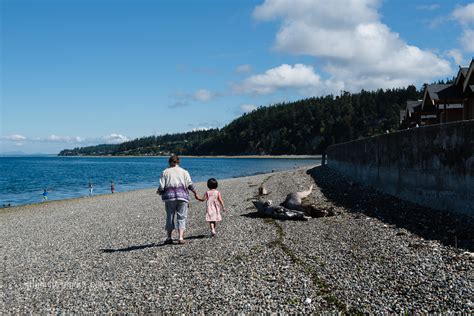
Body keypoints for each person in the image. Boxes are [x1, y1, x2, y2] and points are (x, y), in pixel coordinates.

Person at [157, 155, 196, 245]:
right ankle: (180, 237)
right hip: (183, 197)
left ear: (170, 162)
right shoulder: (184, 172)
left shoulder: (165, 172)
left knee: (170, 216)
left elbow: (162, 186)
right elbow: (190, 184)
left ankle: (169, 237)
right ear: (178, 162)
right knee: (181, 217)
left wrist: (159, 191)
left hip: (169, 197)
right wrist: (195, 193)